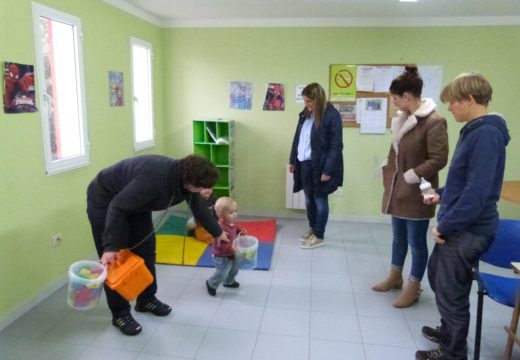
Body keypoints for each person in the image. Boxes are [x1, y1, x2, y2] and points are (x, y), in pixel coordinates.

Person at [416, 72, 510, 360]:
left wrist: (445, 224)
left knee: (451, 291)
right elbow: (464, 181)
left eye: (454, 102)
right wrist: (442, 193)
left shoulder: (487, 134)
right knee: (439, 278)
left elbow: (477, 192)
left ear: (470, 99)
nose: (450, 108)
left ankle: (453, 352)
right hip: (460, 223)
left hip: (469, 228)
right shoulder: (475, 129)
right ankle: (448, 332)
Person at [87, 154, 228, 336]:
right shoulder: (154, 180)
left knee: (146, 251)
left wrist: (218, 232)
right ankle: (120, 313)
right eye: (202, 187)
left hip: (137, 203)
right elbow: (118, 207)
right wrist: (111, 246)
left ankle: (146, 299)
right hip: (106, 202)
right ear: (189, 182)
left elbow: (198, 207)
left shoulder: (184, 178)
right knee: (115, 262)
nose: (205, 191)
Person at [372, 65, 449, 308]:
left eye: (395, 99)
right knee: (398, 238)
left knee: (416, 242)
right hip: (398, 188)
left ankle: (413, 286)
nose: (393, 104)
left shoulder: (434, 122)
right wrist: (387, 171)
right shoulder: (402, 120)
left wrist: (413, 175)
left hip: (421, 189)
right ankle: (395, 276)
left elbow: (439, 159)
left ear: (407, 96)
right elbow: (395, 152)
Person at [289, 82, 344, 249]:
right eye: (305, 101)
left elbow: (336, 146)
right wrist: (292, 159)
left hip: (321, 166)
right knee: (308, 199)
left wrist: (328, 170)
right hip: (304, 163)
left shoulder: (332, 116)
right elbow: (297, 138)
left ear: (318, 100)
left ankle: (319, 235)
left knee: (320, 199)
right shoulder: (305, 114)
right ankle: (313, 228)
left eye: (309, 102)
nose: (307, 105)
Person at [206, 196, 246, 296]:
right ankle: (211, 283)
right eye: (231, 212)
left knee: (234, 268)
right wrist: (233, 249)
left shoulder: (231, 222)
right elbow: (221, 246)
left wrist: (240, 231)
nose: (235, 214)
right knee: (222, 272)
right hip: (221, 256)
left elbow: (235, 228)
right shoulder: (220, 228)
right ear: (221, 215)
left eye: (235, 211)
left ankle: (229, 282)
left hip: (231, 253)